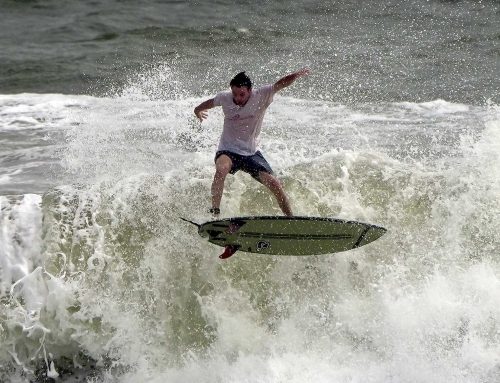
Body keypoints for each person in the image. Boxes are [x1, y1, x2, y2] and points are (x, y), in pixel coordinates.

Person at [194, 68, 310, 218]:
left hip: (251, 153)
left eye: (242, 94)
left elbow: (280, 84)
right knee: (221, 169)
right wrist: (197, 111)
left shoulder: (261, 95)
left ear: (250, 90)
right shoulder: (225, 98)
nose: (238, 98)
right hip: (228, 150)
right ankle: (215, 214)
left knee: (275, 184)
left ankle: (291, 218)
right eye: (235, 94)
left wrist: (295, 75)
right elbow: (207, 104)